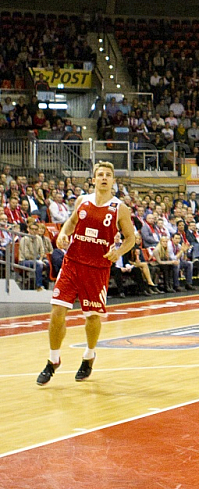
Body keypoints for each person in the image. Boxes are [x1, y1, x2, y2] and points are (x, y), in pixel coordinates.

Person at [36, 162, 135, 386]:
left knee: (91, 318)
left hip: (97, 268)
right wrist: (62, 234)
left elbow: (130, 239)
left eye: (108, 175)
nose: (104, 178)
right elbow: (71, 223)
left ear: (113, 181)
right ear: (93, 179)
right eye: (100, 174)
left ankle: (89, 356)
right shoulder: (83, 201)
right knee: (57, 310)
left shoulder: (119, 208)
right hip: (72, 262)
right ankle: (53, 360)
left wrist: (117, 252)